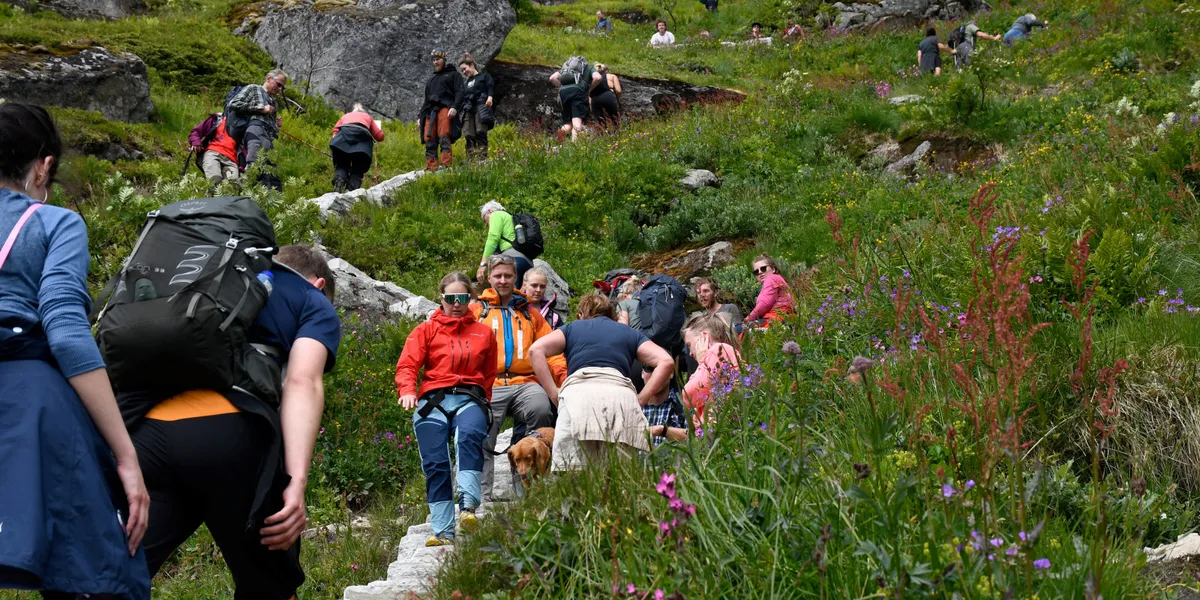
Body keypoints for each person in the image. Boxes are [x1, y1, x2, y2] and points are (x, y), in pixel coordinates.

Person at [128, 245, 341, 599]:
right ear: (319, 284)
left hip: (150, 433)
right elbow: (302, 382)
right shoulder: (311, 300)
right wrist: (296, 482)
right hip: (232, 437)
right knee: (269, 583)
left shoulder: (212, 280)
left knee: (119, 568)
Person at [0, 103, 151, 600]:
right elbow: (65, 331)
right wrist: (126, 456)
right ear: (43, 166)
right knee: (99, 574)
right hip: (30, 401)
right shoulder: (54, 223)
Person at [395, 272, 498, 546]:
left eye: (462, 298)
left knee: (469, 436)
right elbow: (408, 365)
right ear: (441, 298)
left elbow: (489, 373)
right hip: (433, 401)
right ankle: (442, 531)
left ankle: (468, 507)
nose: (456, 303)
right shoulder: (426, 330)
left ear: (470, 298)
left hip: (469, 398)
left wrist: (483, 401)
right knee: (435, 462)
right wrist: (406, 390)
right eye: (450, 298)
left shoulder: (484, 333)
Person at [528, 295, 674, 470]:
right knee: (619, 475)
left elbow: (535, 350)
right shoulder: (629, 333)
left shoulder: (572, 328)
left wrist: (553, 393)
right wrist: (642, 398)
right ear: (612, 315)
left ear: (581, 314)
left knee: (572, 472)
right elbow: (666, 361)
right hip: (620, 397)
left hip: (578, 396)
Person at [472, 255, 567, 500]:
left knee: (541, 408)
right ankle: (482, 496)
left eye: (508, 275)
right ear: (489, 278)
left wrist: (562, 379)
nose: (503, 280)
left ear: (516, 279)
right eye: (498, 275)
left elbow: (552, 351)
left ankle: (529, 490)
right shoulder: (477, 311)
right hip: (490, 383)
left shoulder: (529, 314)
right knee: (481, 426)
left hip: (525, 381)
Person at [681, 312, 741, 424]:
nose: (690, 353)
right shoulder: (723, 351)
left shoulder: (718, 350)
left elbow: (689, 396)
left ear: (703, 336)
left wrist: (702, 362)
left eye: (689, 345)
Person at [227, 69, 287, 170]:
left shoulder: (274, 103)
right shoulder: (253, 88)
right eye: (278, 84)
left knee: (269, 170)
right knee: (254, 166)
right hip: (254, 131)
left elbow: (273, 130)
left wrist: (276, 125)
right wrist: (261, 109)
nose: (280, 89)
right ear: (268, 79)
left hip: (267, 138)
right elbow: (233, 104)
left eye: (282, 87)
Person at [418, 48, 463, 171]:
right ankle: (431, 167)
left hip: (445, 108)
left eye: (438, 59)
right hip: (429, 112)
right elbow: (426, 100)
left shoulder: (454, 75)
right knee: (429, 138)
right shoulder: (431, 80)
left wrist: (454, 107)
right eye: (433, 60)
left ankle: (446, 165)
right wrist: (419, 117)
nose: (435, 62)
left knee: (444, 135)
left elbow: (460, 93)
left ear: (444, 60)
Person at [476, 200, 533, 287]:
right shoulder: (510, 217)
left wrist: (483, 264)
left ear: (489, 211)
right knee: (524, 298)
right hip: (528, 262)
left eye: (485, 220)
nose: (486, 225)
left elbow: (493, 238)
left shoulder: (496, 214)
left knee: (509, 297)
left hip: (513, 261)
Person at [330, 103, 385, 192]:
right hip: (362, 145)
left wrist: (337, 149)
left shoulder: (346, 116)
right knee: (358, 168)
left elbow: (335, 131)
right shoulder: (367, 117)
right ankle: (351, 191)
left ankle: (339, 179)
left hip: (341, 141)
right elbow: (380, 136)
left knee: (341, 165)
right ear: (363, 112)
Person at [549, 59, 601, 142]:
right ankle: (574, 148)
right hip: (578, 92)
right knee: (577, 123)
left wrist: (561, 87)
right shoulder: (589, 68)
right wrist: (589, 89)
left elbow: (552, 78)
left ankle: (555, 141)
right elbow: (598, 77)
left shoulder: (566, 68)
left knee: (568, 124)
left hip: (563, 93)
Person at [456, 55, 495, 163]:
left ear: (472, 65)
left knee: (481, 131)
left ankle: (482, 158)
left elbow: (490, 86)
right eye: (462, 70)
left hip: (481, 106)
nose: (464, 72)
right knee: (468, 134)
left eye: (465, 69)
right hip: (468, 109)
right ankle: (471, 159)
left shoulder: (484, 76)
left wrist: (489, 98)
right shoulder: (466, 83)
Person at [640, 362, 688, 445]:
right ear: (642, 373)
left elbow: (698, 438)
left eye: (661, 368)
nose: (656, 374)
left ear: (671, 373)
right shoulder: (632, 407)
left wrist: (663, 431)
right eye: (649, 368)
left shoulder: (684, 404)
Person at [189, 112, 240, 187]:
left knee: (233, 187)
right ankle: (209, 196)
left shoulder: (243, 125)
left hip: (231, 160)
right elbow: (195, 132)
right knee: (215, 181)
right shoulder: (217, 119)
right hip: (212, 153)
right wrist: (196, 143)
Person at [744, 254, 795, 328]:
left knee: (737, 330)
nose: (760, 272)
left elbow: (765, 303)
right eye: (756, 272)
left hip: (777, 318)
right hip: (784, 317)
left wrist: (748, 318)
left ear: (773, 269)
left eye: (763, 268)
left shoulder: (771, 278)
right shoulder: (777, 279)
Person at [590, 63, 621, 128]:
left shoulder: (593, 78)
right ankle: (617, 135)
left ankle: (602, 135)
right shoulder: (612, 76)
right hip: (609, 97)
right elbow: (618, 91)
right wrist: (617, 100)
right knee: (615, 121)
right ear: (606, 70)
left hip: (595, 98)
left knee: (600, 122)